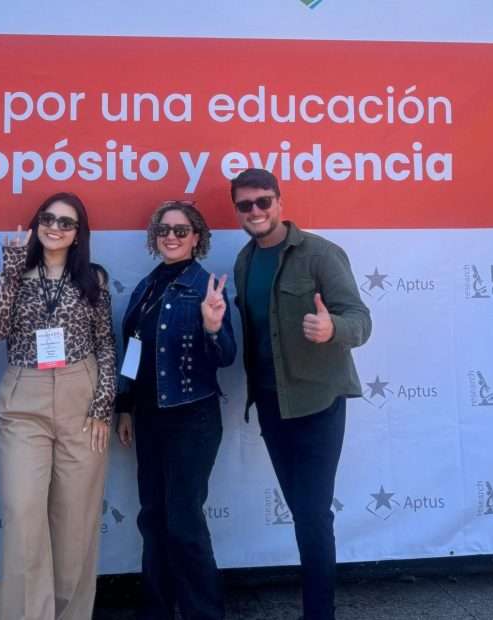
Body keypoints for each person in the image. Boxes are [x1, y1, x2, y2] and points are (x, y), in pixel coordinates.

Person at [230, 169, 372, 620]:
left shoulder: (320, 254)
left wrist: (333, 328)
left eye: (263, 201)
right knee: (301, 510)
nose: (255, 211)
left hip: (317, 402)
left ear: (279, 201)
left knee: (313, 514)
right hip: (271, 403)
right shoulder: (244, 261)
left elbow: (361, 320)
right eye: (245, 205)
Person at [0, 192, 116, 620]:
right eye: (48, 218)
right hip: (25, 397)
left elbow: (105, 343)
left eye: (66, 222)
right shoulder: (15, 274)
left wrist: (103, 405)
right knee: (23, 514)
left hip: (81, 394)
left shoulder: (93, 278)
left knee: (75, 521)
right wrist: (10, 269)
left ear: (78, 234)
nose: (55, 227)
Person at [116, 201, 236, 620]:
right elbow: (132, 352)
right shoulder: (147, 286)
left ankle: (204, 613)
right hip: (149, 418)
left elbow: (226, 356)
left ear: (196, 237)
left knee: (184, 522)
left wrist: (213, 327)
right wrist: (125, 407)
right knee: (152, 517)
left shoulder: (206, 287)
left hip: (192, 419)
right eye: (163, 230)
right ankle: (157, 610)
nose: (171, 236)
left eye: (181, 230)